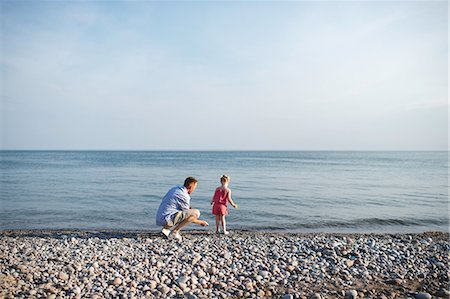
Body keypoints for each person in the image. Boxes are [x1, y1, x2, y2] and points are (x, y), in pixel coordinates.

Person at [156, 177, 208, 241]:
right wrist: (200, 222)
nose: (194, 190)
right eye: (194, 188)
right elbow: (187, 216)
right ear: (190, 187)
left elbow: (184, 209)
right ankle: (175, 232)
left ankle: (166, 229)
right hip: (166, 220)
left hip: (160, 218)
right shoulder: (185, 196)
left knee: (177, 211)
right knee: (196, 213)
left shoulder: (175, 189)